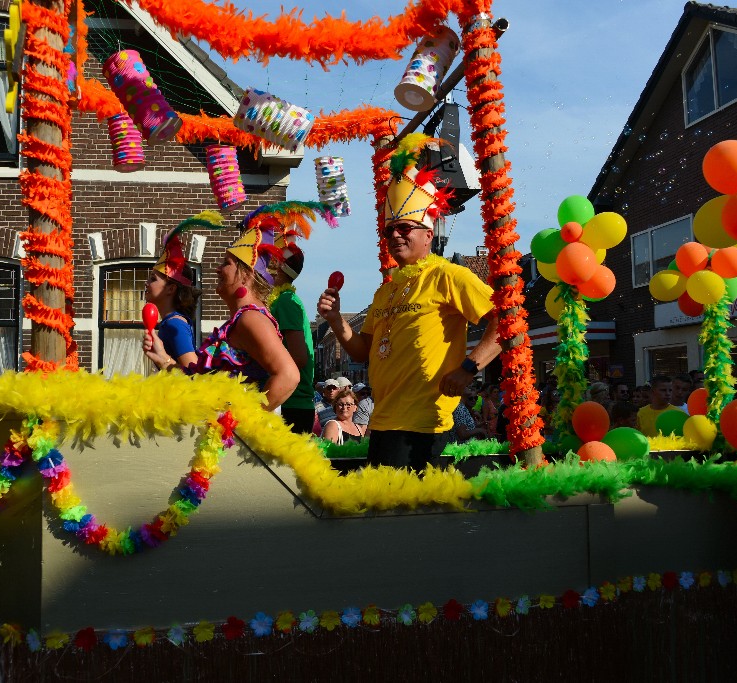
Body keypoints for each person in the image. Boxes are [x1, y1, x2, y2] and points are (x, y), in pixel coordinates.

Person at [317, 135, 501, 471]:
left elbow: (507, 321)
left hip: (423, 424)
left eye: (405, 228)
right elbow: (362, 351)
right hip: (383, 420)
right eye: (389, 231)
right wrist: (335, 321)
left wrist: (468, 369)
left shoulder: (449, 275)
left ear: (428, 234)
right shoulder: (385, 291)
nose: (396, 236)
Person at [144, 206, 299, 411]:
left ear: (246, 275)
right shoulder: (240, 320)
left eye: (226, 263)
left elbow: (289, 376)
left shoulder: (250, 318)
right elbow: (202, 386)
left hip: (232, 441)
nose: (217, 268)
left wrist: (243, 422)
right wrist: (163, 359)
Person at [145, 211, 223, 369]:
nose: (146, 283)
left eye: (153, 279)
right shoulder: (172, 321)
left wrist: (164, 360)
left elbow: (193, 375)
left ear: (171, 289)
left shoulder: (175, 324)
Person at [269, 232, 316, 433]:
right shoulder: (282, 299)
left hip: (290, 404)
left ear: (277, 266)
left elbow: (298, 357)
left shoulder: (287, 301)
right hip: (288, 401)